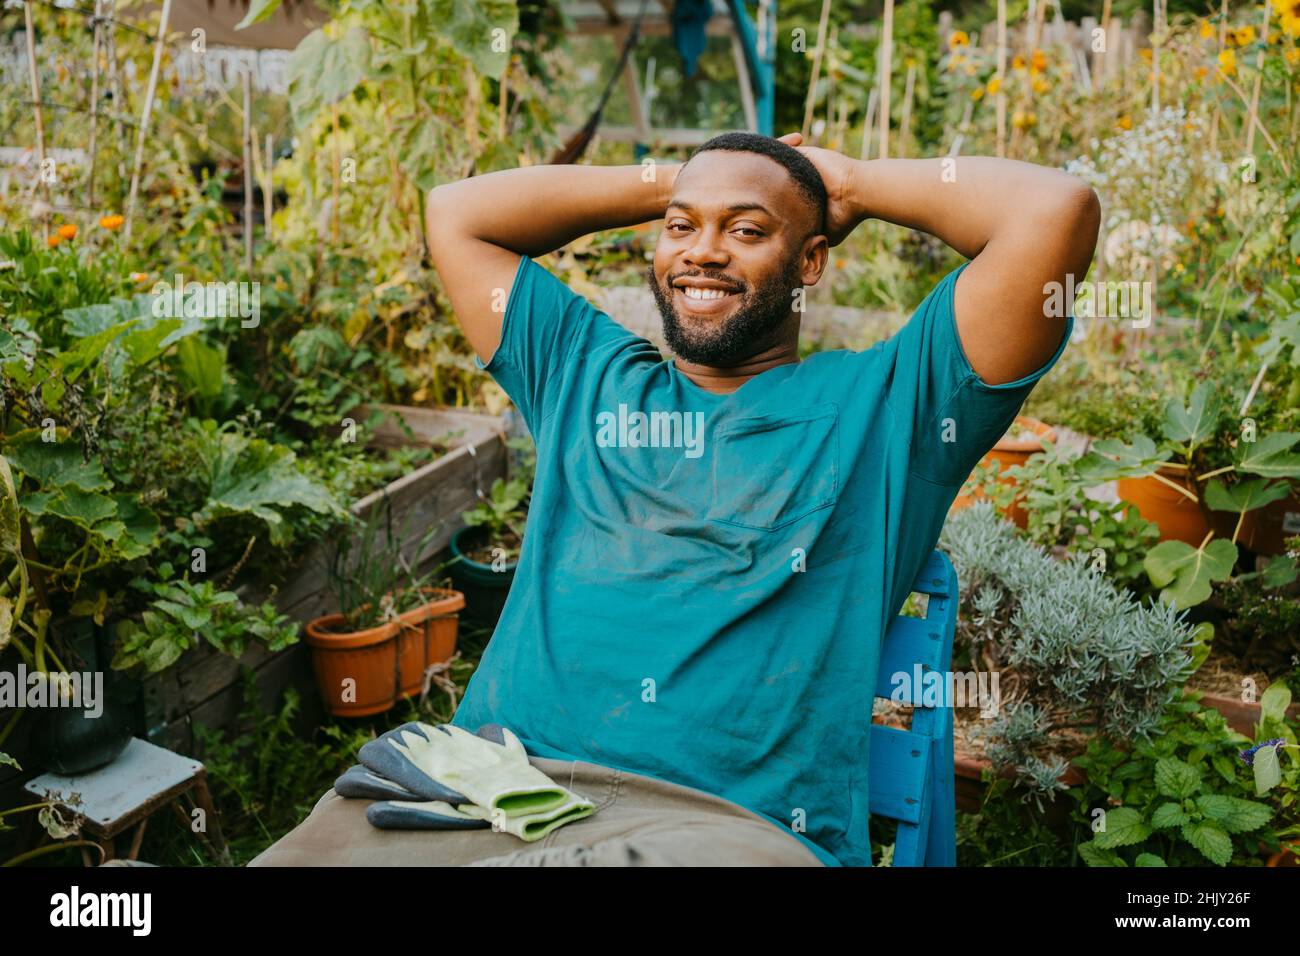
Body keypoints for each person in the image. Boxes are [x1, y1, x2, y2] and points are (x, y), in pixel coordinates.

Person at [254, 132, 1099, 868]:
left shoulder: (892, 408)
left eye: (747, 229)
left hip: (725, 827)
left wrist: (842, 185)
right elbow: (457, 212)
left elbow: (1053, 212)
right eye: (682, 229)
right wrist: (690, 176)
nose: (702, 251)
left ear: (810, 262)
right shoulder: (581, 371)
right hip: (492, 783)